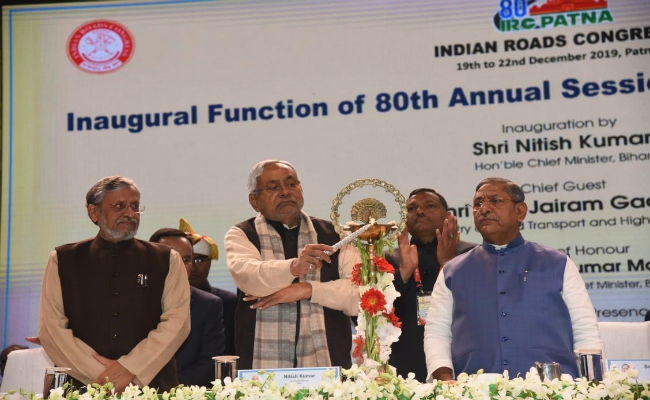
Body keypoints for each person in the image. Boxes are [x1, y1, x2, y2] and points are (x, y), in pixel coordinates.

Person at [424, 177, 602, 381]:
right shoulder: (452, 271)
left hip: (552, 390)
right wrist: (445, 380)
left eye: (495, 201)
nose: (484, 209)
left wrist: (593, 384)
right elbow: (437, 332)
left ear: (520, 211)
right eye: (478, 203)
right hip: (476, 391)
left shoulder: (558, 264)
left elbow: (584, 328)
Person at [38, 176, 190, 392]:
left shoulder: (166, 259)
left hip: (151, 387)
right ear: (94, 212)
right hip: (81, 386)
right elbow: (51, 329)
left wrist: (132, 368)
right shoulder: (62, 259)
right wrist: (103, 375)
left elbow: (178, 322)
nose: (130, 213)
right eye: (119, 206)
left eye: (135, 206)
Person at [224, 159, 359, 369]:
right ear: (254, 200)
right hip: (261, 367)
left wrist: (307, 289)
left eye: (291, 184)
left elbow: (360, 295)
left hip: (328, 366)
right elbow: (249, 277)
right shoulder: (242, 234)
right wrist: (294, 267)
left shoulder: (335, 234)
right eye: (273, 187)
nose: (285, 192)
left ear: (301, 189)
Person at [385, 188, 476, 382]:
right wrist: (403, 274)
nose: (419, 211)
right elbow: (376, 315)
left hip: (459, 362)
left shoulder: (470, 255)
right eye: (412, 208)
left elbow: (477, 308)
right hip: (405, 366)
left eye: (430, 206)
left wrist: (450, 265)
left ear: (447, 216)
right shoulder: (390, 259)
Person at [149, 228, 225, 387]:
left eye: (186, 259)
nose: (180, 266)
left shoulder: (209, 305)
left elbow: (210, 362)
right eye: (172, 258)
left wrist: (170, 387)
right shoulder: (132, 300)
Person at [180, 218, 238, 355]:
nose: (193, 267)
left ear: (210, 261)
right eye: (185, 260)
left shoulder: (229, 302)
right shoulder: (160, 300)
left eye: (199, 259)